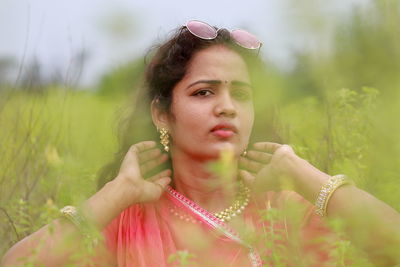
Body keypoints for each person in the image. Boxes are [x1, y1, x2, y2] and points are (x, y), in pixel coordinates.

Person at [1, 20, 400, 267]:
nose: (227, 108)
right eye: (204, 93)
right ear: (162, 114)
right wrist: (116, 193)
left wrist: (304, 176)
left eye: (241, 95)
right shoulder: (127, 220)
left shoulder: (288, 212)